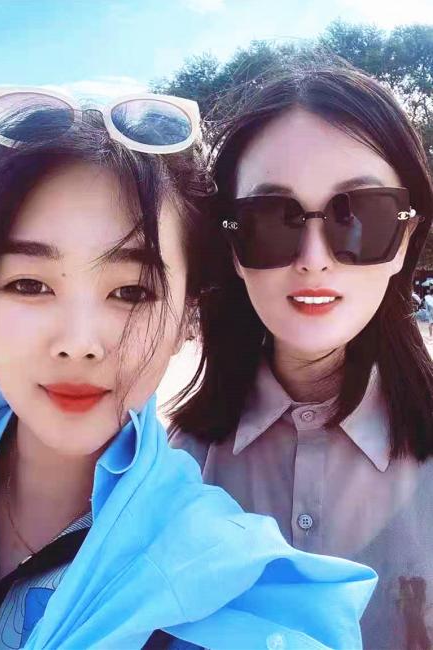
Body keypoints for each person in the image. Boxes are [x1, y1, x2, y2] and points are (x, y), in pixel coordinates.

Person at [0, 89, 376, 650]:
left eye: (131, 291)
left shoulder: (222, 580)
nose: (79, 345)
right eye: (30, 285)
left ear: (185, 319)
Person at [170, 59, 433, 650]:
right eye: (272, 220)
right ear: (233, 246)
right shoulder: (175, 470)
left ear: (404, 240)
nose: (314, 259)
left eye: (359, 215)